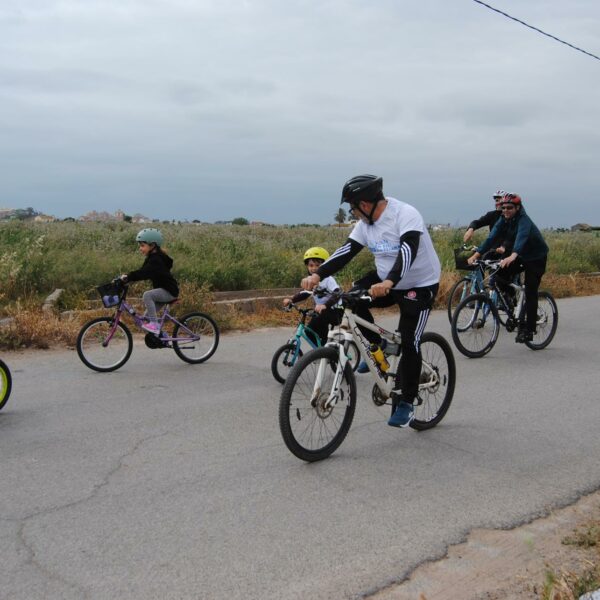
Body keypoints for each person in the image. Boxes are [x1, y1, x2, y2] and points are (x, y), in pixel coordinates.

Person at [301, 174, 441, 428]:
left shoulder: (405, 214)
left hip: (419, 284)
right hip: (385, 278)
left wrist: (390, 282)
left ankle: (407, 401)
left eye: (353, 208)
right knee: (350, 299)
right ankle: (378, 347)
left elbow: (407, 251)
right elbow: (346, 251)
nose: (353, 213)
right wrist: (317, 274)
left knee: (410, 339)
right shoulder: (365, 225)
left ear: (364, 204)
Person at [467, 193, 549, 343]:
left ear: (518, 208)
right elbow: (491, 237)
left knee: (530, 290)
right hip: (520, 255)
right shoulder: (503, 219)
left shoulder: (524, 220)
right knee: (499, 274)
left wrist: (512, 256)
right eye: (503, 207)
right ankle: (511, 301)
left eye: (509, 208)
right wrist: (477, 255)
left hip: (536, 257)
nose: (505, 210)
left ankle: (529, 330)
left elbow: (521, 237)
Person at [120, 228, 179, 335]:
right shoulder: (152, 258)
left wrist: (128, 276)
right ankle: (162, 336)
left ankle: (155, 325)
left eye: (142, 245)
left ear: (152, 245)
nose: (140, 248)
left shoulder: (156, 260)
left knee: (147, 295)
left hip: (169, 291)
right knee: (146, 319)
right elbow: (142, 273)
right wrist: (128, 279)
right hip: (163, 291)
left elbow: (143, 273)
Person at [282, 247, 340, 346]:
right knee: (309, 332)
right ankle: (321, 351)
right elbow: (305, 293)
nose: (314, 268)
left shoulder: (328, 279)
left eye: (318, 265)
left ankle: (324, 351)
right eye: (311, 265)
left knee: (321, 331)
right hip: (320, 311)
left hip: (335, 311)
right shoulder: (311, 280)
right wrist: (292, 300)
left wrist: (325, 305)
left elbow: (337, 293)